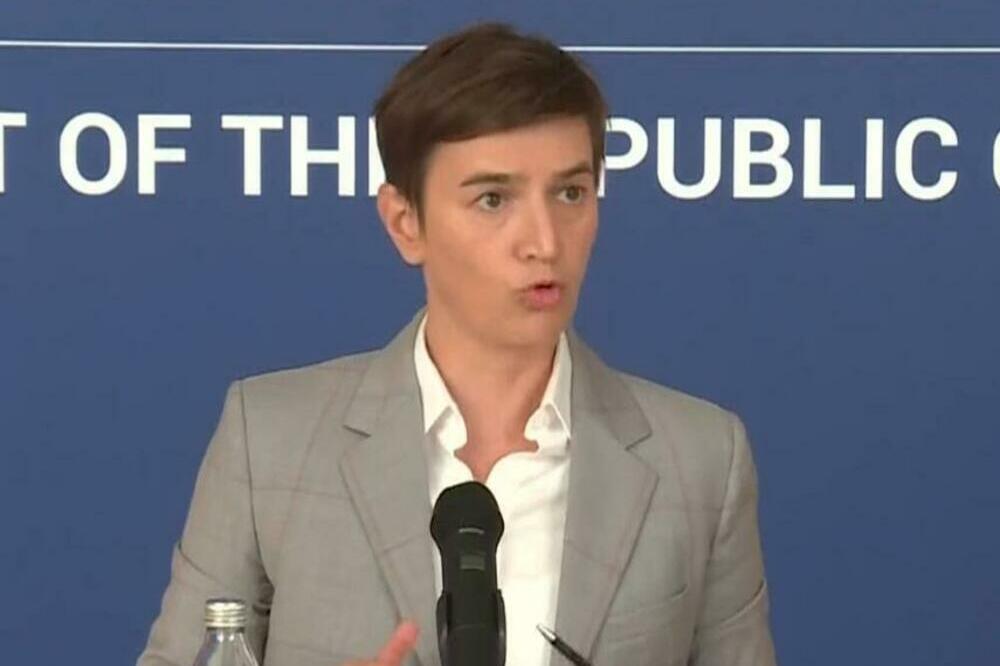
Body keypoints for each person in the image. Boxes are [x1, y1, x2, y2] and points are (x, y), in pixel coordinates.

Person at [137, 21, 777, 666]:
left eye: (570, 193)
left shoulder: (701, 461)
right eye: (493, 199)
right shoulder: (269, 442)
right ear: (405, 223)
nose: (544, 241)